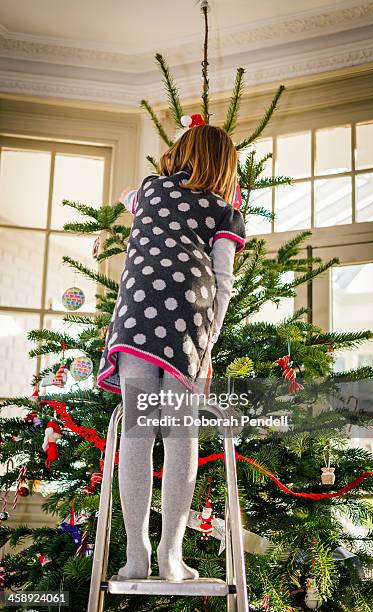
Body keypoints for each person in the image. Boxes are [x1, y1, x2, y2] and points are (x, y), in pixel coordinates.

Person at [97, 124, 246, 581]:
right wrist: (207, 344)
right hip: (186, 327)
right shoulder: (224, 212)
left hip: (137, 318)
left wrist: (130, 198)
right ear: (224, 167)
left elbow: (129, 196)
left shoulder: (148, 191)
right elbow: (223, 282)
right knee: (180, 438)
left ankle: (136, 553)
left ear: (179, 152)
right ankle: (171, 555)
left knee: (138, 437)